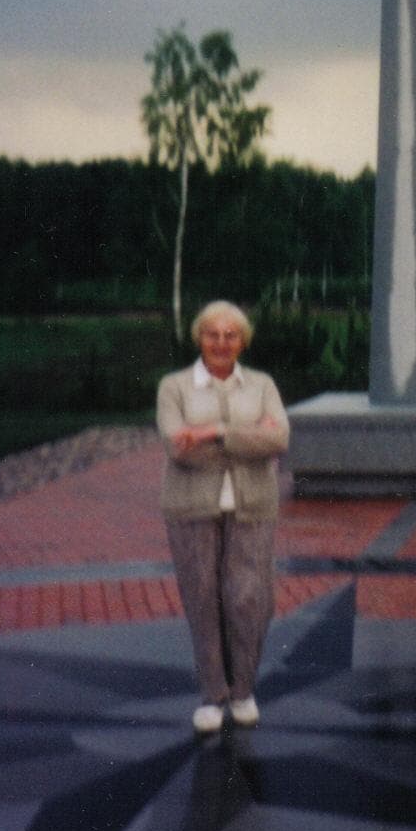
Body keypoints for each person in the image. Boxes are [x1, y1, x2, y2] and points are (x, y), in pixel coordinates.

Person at [157, 300, 290, 734]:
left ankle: (243, 691)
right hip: (191, 507)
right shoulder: (174, 387)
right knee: (203, 599)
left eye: (231, 335)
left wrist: (213, 433)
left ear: (243, 341)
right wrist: (253, 438)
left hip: (253, 507)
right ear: (199, 338)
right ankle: (213, 695)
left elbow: (280, 438)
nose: (221, 343)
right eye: (212, 334)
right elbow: (178, 448)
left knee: (249, 599)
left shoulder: (262, 384)